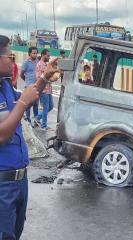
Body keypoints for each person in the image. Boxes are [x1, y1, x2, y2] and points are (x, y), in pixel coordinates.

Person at [0, 34, 58, 240]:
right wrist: (23, 103)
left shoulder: (5, 86)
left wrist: (44, 78)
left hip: (18, 183)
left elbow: (28, 97)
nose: (14, 62)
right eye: (10, 57)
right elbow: (1, 135)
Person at [34, 49, 54, 130]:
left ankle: (37, 118)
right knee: (46, 108)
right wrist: (49, 79)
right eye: (48, 56)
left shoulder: (47, 64)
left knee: (51, 106)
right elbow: (38, 77)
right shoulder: (39, 65)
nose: (49, 57)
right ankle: (44, 126)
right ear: (43, 55)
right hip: (43, 89)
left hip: (49, 89)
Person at [20, 47, 39, 124]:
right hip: (28, 86)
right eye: (33, 53)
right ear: (29, 54)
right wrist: (27, 81)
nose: (35, 54)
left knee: (36, 104)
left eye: (36, 53)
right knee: (28, 104)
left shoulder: (38, 62)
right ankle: (28, 119)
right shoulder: (26, 63)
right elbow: (21, 74)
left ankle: (36, 120)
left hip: (36, 86)